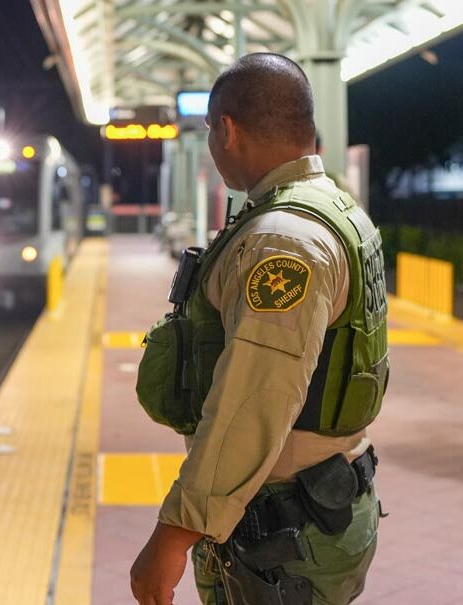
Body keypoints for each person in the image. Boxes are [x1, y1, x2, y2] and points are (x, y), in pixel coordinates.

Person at [130, 53, 389, 605]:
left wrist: (175, 533)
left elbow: (255, 397)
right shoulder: (337, 209)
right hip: (325, 506)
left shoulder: (283, 241)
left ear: (227, 129)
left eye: (208, 132)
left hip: (283, 536)